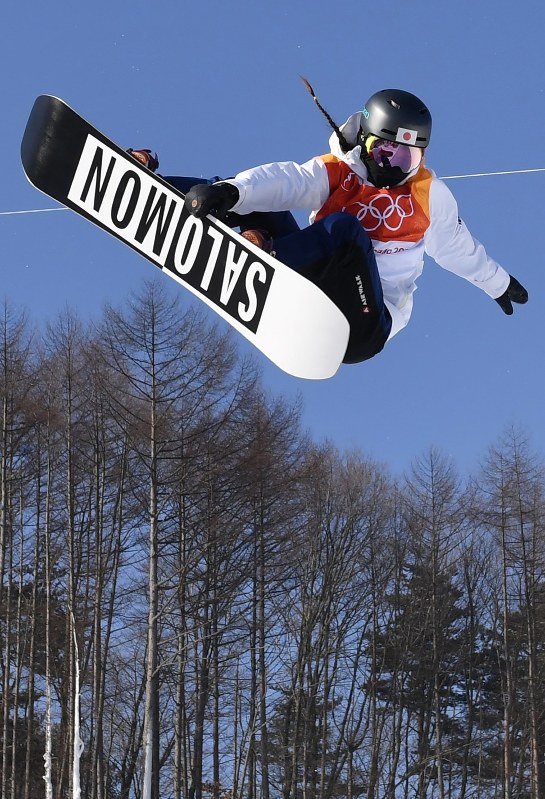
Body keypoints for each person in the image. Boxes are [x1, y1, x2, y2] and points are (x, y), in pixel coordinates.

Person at [129, 87, 528, 364]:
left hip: (363, 323)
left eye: (407, 159)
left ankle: (261, 259)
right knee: (254, 200)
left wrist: (497, 282)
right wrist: (231, 192)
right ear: (365, 140)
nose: (394, 167)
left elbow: (458, 247)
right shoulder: (339, 171)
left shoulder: (428, 195)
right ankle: (149, 185)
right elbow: (288, 181)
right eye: (385, 152)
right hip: (312, 285)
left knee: (345, 231)